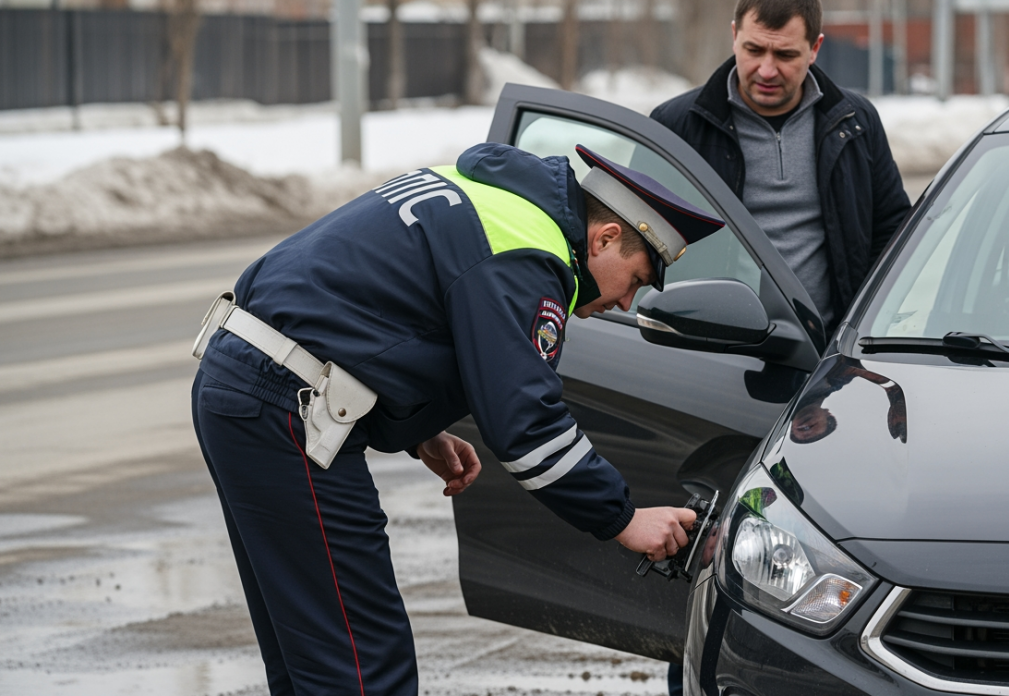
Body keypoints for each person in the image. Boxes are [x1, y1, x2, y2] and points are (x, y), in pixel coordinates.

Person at [189, 142, 724, 696]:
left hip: (246, 382)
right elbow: (527, 424)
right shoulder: (529, 249)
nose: (627, 302)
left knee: (312, 658)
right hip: (283, 407)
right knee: (361, 666)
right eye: (635, 279)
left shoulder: (495, 199)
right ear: (605, 237)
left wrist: (419, 429)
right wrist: (623, 519)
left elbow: (380, 306)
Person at [651, 0, 912, 334]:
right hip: (713, 346)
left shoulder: (857, 122)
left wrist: (861, 328)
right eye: (754, 50)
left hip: (830, 349)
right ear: (734, 36)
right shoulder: (675, 126)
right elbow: (642, 244)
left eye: (785, 55)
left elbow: (892, 232)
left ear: (814, 48)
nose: (767, 70)